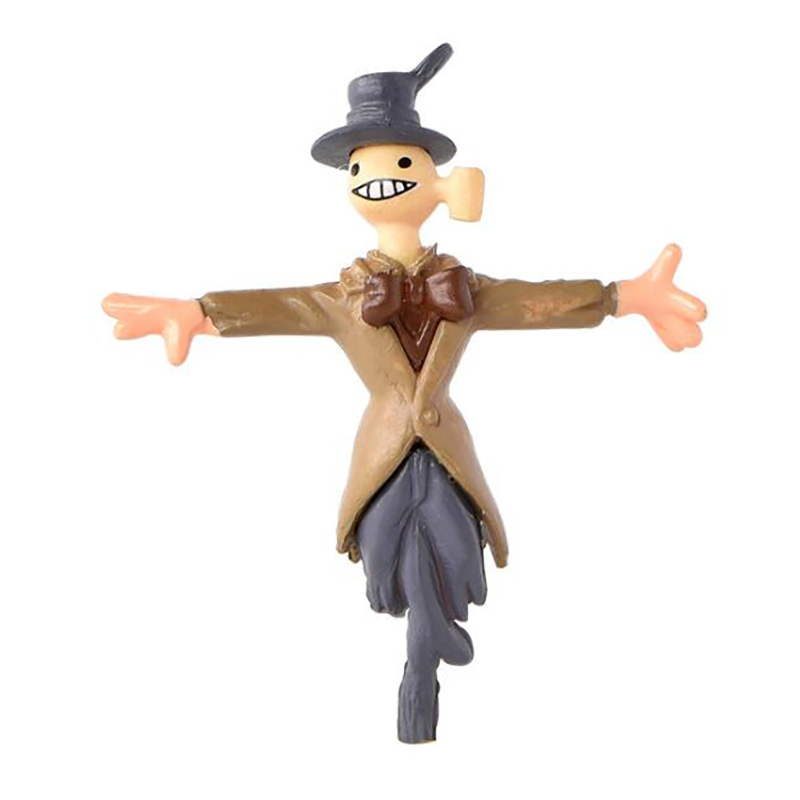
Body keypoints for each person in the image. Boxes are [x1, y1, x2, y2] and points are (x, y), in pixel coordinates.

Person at [103, 44, 706, 743]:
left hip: (446, 449)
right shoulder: (342, 296)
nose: (376, 178)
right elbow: (275, 307)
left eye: (398, 164)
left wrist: (623, 296)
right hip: (383, 452)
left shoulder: (465, 289)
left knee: (452, 547)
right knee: (388, 558)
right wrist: (195, 311)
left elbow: (538, 302)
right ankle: (426, 648)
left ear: (440, 181)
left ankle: (425, 659)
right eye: (359, 168)